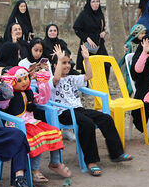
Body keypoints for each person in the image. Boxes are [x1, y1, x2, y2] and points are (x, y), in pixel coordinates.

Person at [51, 44, 133, 176]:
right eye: (63, 63)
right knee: (87, 123)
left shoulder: (72, 78)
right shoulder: (53, 80)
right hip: (64, 112)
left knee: (105, 118)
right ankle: (91, 161)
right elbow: (56, 78)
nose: (66, 65)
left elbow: (89, 76)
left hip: (78, 109)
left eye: (68, 62)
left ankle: (117, 153)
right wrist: (59, 60)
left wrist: (86, 59)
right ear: (55, 65)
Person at [0, 66, 68, 183]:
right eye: (19, 80)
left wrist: (43, 83)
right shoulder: (8, 96)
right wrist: (8, 86)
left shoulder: (29, 92)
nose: (24, 82)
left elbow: (43, 100)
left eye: (26, 78)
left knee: (55, 132)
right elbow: (2, 104)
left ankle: (55, 162)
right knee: (37, 138)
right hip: (16, 125)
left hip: (32, 122)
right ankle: (35, 170)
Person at [73, 0, 108, 73]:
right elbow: (76, 28)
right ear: (89, 3)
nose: (96, 4)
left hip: (99, 44)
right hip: (88, 46)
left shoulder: (100, 14)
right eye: (93, 2)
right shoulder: (84, 14)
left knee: (106, 65)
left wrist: (104, 32)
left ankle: (102, 85)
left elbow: (103, 27)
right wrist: (87, 38)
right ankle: (88, 85)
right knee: (88, 69)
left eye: (97, 1)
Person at [119, 24, 147, 94]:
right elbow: (126, 56)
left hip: (141, 68)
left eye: (144, 33)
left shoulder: (144, 43)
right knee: (130, 86)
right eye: (141, 33)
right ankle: (126, 99)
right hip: (130, 68)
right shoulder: (129, 44)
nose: (144, 35)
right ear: (136, 33)